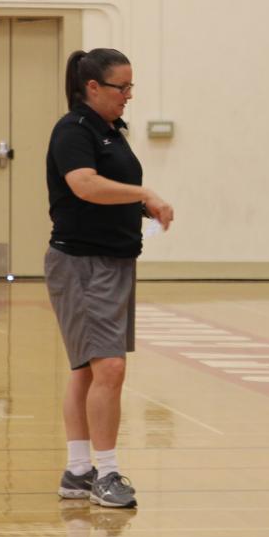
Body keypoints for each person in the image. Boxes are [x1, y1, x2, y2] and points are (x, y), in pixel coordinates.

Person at [46, 49, 173, 511]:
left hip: (115, 261)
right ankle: (107, 471)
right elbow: (84, 185)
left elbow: (104, 189)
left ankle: (78, 471)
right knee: (109, 368)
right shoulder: (73, 132)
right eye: (122, 88)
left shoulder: (110, 132)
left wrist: (141, 207)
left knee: (87, 368)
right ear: (93, 88)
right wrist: (143, 192)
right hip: (83, 264)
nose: (129, 96)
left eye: (131, 87)